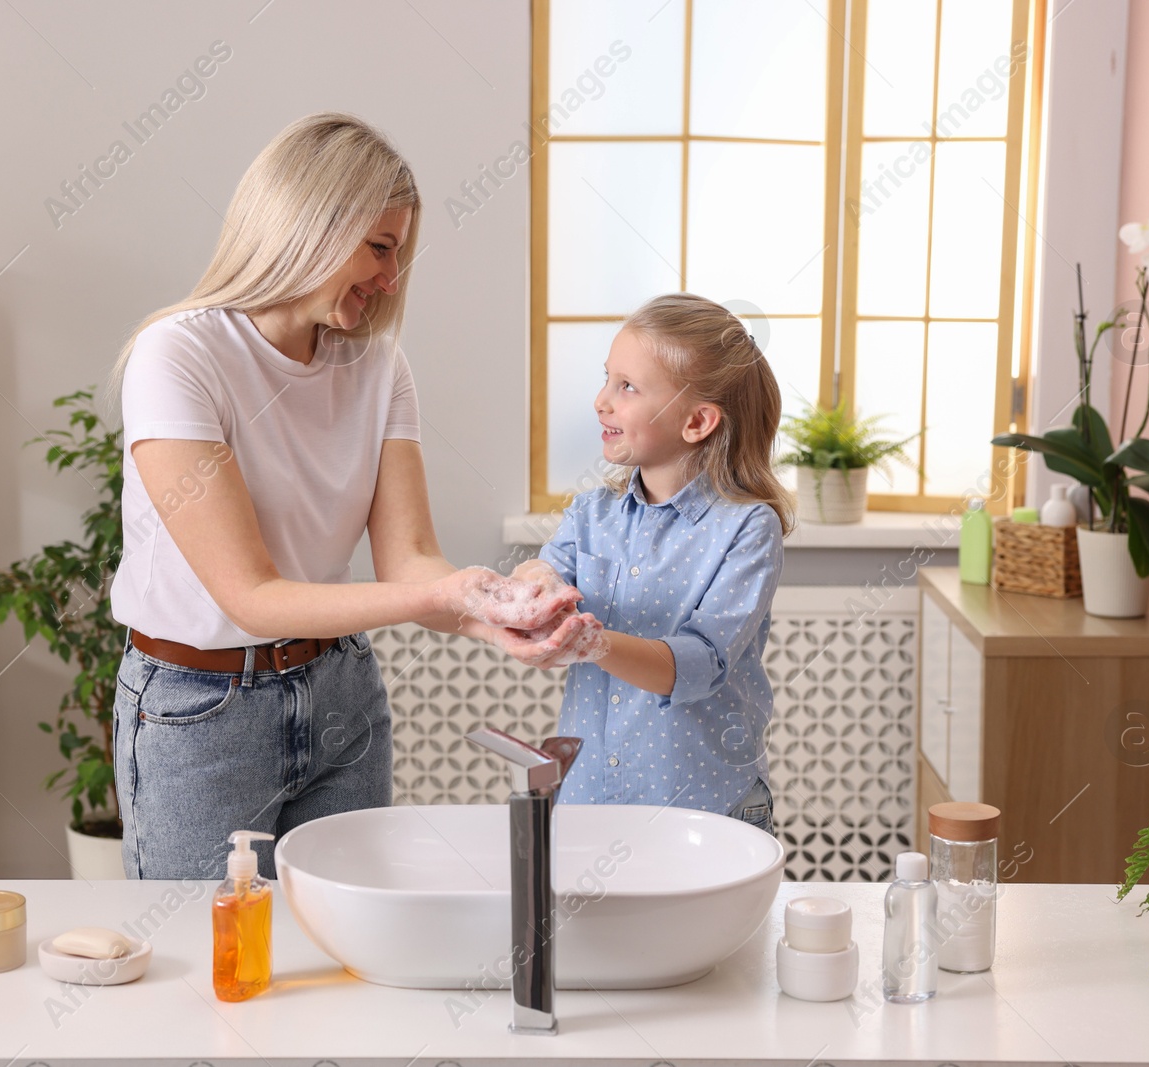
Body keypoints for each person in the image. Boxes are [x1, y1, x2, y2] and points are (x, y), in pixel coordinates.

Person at [104, 113, 580, 880]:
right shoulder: (180, 355)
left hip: (340, 697)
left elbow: (411, 558)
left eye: (401, 254)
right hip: (201, 711)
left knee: (342, 954)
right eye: (380, 248)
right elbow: (251, 596)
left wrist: (489, 610)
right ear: (308, 224)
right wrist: (452, 596)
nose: (392, 280)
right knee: (207, 965)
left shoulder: (378, 368)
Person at [509, 293, 794, 831]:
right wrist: (532, 583)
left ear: (697, 422)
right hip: (588, 798)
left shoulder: (747, 528)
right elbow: (545, 575)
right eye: (606, 379)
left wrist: (595, 643)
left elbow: (700, 663)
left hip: (704, 808)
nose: (601, 400)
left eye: (627, 387)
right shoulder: (591, 513)